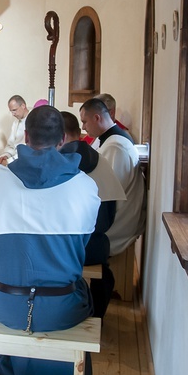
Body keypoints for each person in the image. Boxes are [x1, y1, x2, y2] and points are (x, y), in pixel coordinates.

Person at [0, 105, 100, 375]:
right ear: (63, 139)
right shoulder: (86, 186)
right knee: (81, 287)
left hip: (6, 305)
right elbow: (81, 249)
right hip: (62, 308)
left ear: (26, 136)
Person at [59, 111, 126, 318]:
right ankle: (95, 316)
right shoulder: (98, 158)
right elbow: (106, 218)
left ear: (60, 137)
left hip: (69, 246)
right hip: (96, 245)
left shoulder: (62, 162)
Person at [80, 99, 146, 257]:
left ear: (97, 118)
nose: (83, 127)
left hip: (116, 227)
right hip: (114, 217)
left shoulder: (116, 147)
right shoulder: (110, 140)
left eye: (84, 122)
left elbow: (107, 196)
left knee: (65, 244)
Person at [0, 95, 30, 165]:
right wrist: (6, 156)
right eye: (11, 111)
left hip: (26, 161)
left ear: (23, 106)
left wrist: (9, 161)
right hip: (14, 159)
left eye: (14, 110)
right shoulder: (15, 123)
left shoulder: (33, 120)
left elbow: (30, 147)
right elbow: (11, 145)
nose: (13, 114)